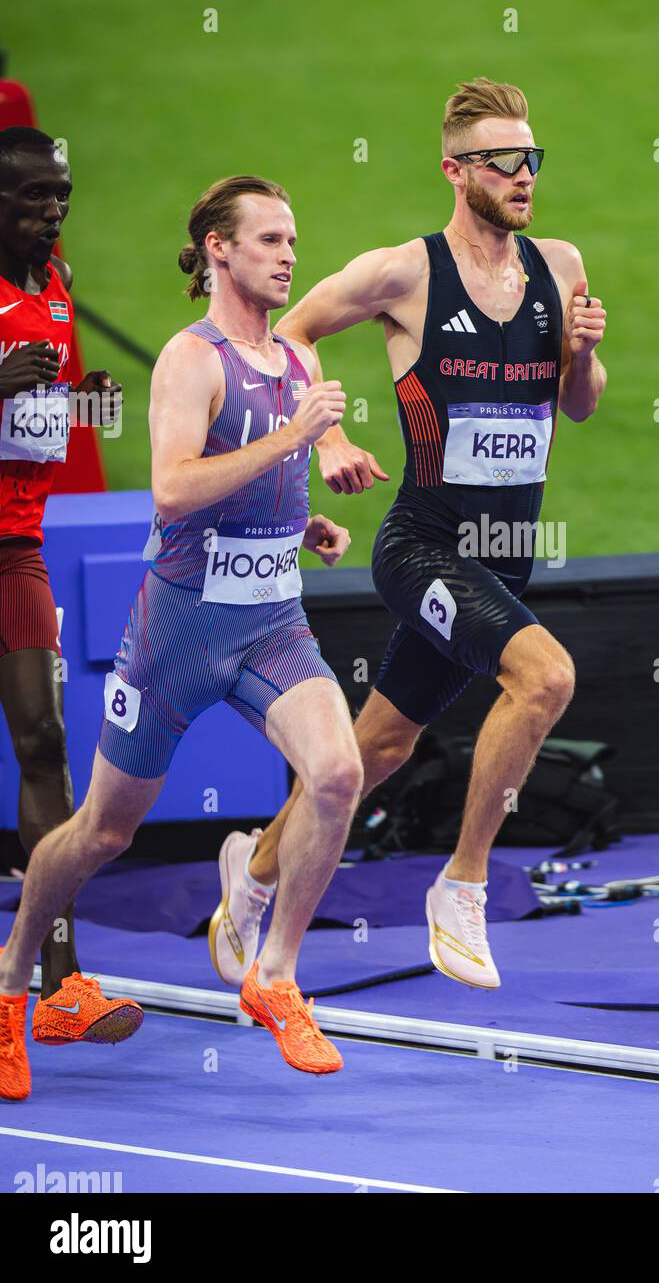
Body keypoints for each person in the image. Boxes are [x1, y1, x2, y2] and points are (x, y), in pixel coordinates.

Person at [208, 78, 607, 993]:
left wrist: (581, 353)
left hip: (505, 559)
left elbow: (576, 408)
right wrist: (332, 435)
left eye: (531, 158)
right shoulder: (405, 272)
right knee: (544, 678)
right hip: (423, 546)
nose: (522, 175)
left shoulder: (560, 264)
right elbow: (294, 332)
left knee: (379, 747)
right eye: (502, 160)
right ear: (455, 170)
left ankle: (255, 875)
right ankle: (461, 887)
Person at [0, 175, 358, 1099]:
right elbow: (172, 490)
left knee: (339, 773)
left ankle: (273, 976)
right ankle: (11, 983)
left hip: (274, 620)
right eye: (270, 239)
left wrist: (304, 524)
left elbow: (263, 488)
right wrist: (291, 444)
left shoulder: (297, 362)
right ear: (217, 251)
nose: (289, 254)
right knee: (104, 831)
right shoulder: (189, 360)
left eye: (292, 238)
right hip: (180, 630)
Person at [0, 125, 135, 1051]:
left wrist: (85, 400)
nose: (51, 214)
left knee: (45, 743)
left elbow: (39, 418)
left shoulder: (57, 283)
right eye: (32, 200)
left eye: (61, 200)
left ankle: (59, 986)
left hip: (16, 551)